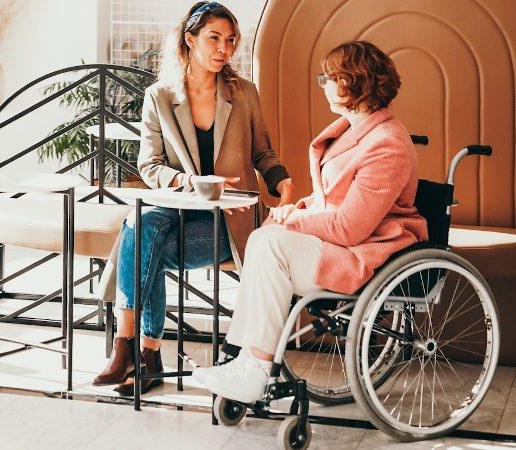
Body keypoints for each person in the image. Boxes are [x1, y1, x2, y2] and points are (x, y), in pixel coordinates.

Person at [193, 41, 429, 403]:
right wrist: (295, 211)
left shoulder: (387, 144)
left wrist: (297, 218)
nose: (324, 85)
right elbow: (331, 199)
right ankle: (245, 358)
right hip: (342, 241)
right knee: (263, 237)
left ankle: (255, 366)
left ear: (355, 81)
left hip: (368, 252)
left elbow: (351, 226)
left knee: (271, 244)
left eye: (330, 78)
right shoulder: (353, 130)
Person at [94, 1, 295, 395]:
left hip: (230, 219)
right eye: (214, 38)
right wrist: (190, 181)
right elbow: (149, 165)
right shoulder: (160, 96)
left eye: (231, 40)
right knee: (143, 223)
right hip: (176, 210)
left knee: (141, 242)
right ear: (190, 39)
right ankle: (138, 352)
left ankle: (133, 350)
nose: (224, 48)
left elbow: (263, 153)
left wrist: (282, 182)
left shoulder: (244, 93)